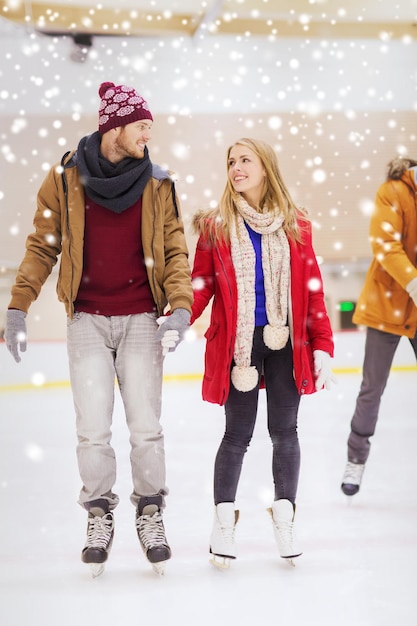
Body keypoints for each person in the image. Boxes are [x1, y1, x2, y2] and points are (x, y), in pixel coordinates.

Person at [4, 81, 193, 577]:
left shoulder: (157, 180)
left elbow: (174, 249)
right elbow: (42, 245)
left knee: (146, 429)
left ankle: (150, 512)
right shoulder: (65, 177)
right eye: (142, 126)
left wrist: (179, 305)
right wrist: (18, 307)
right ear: (115, 126)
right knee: (92, 432)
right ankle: (98, 514)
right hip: (86, 317)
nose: (149, 135)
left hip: (140, 318)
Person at [190, 138, 334, 567]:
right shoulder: (216, 227)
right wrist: (176, 316)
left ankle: (285, 517)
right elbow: (200, 286)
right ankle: (223, 523)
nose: (236, 168)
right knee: (237, 435)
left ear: (265, 167)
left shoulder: (296, 224)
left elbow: (313, 291)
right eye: (231, 162)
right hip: (239, 348)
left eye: (245, 160)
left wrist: (323, 345)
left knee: (285, 432)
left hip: (285, 342)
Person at [341, 157, 417, 496]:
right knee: (372, 388)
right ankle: (355, 460)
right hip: (387, 302)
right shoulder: (392, 191)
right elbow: (386, 245)